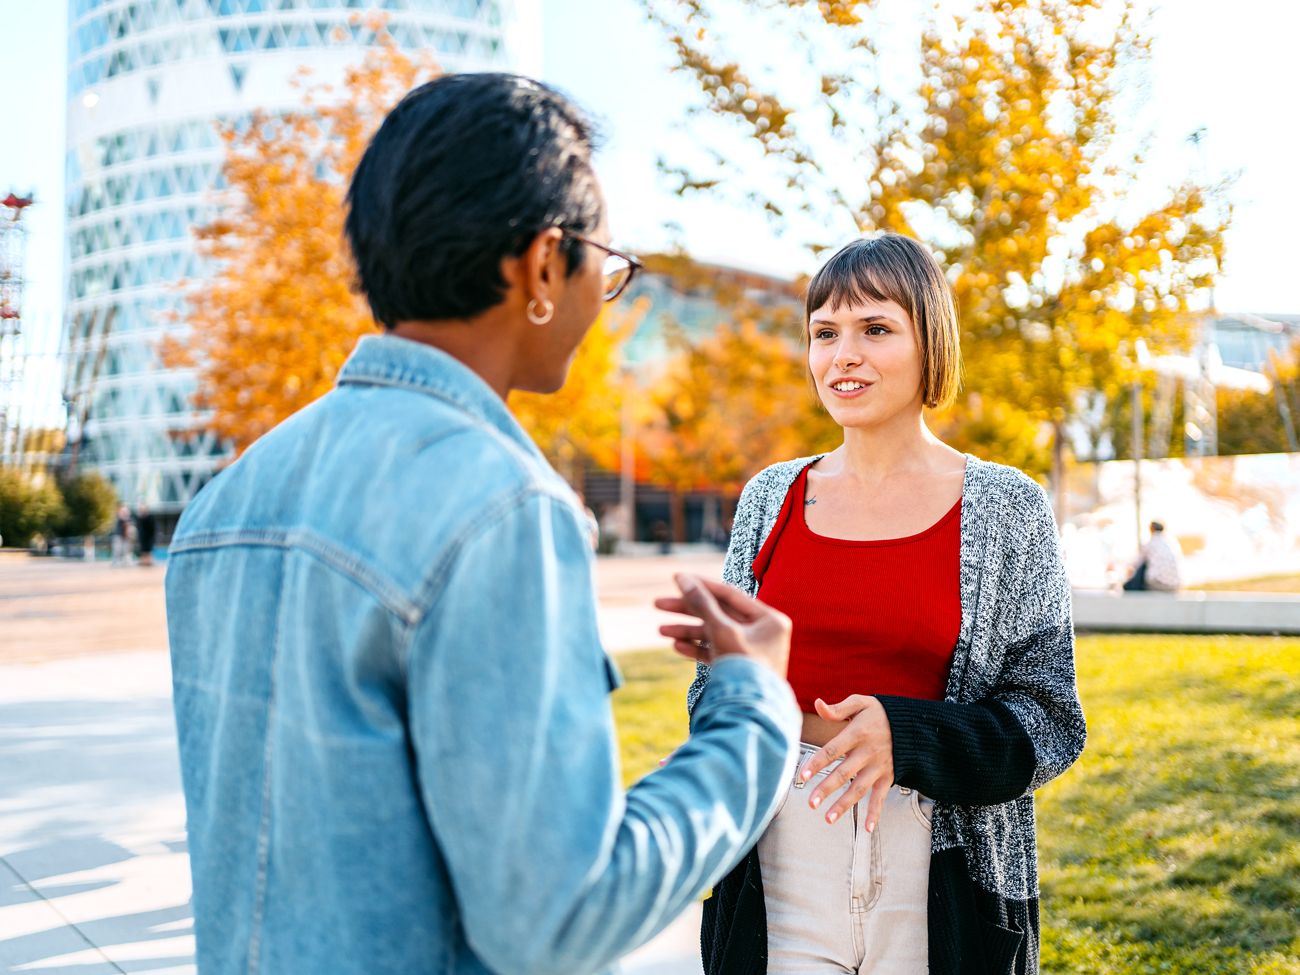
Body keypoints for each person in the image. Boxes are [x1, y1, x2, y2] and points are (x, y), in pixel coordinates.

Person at [164, 73, 802, 975]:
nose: (601, 294)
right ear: (543, 264)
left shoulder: (224, 502)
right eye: (605, 264)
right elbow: (557, 916)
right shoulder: (503, 505)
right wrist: (753, 708)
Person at [687, 234, 1087, 975]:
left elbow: (1051, 720)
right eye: (824, 333)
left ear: (929, 340)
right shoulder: (769, 498)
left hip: (937, 865)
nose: (844, 354)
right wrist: (732, 687)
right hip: (776, 859)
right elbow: (712, 697)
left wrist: (907, 737)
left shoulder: (1008, 507)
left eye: (875, 329)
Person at [1123, 520, 1182, 592]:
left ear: (1152, 529)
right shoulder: (1172, 543)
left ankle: (1131, 589)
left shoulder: (1150, 543)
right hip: (1175, 585)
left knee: (1143, 564)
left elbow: (1136, 562)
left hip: (1157, 583)